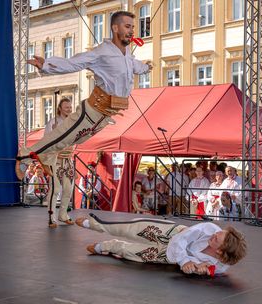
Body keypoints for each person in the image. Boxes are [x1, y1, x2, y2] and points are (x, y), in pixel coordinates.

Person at [15, 10, 152, 179]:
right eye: (127, 26)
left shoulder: (127, 54)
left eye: (132, 27)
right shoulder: (101, 52)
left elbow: (136, 66)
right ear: (115, 28)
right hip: (92, 110)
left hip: (106, 115)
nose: (132, 31)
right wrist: (46, 65)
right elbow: (74, 63)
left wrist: (146, 68)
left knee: (72, 141)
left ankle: (45, 155)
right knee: (63, 136)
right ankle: (25, 155)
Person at [75, 213, 247, 276]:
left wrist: (201, 269)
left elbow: (211, 271)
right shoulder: (209, 228)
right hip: (172, 234)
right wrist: (185, 262)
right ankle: (94, 225)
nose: (215, 234)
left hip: (169, 256)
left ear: (221, 252)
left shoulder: (222, 265)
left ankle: (105, 246)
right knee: (131, 228)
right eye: (219, 232)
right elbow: (181, 239)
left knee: (133, 253)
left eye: (217, 239)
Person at [43, 98, 75, 227]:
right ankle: (52, 217)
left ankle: (63, 215)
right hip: (55, 160)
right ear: (60, 108)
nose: (69, 109)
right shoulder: (53, 122)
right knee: (55, 189)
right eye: (66, 107)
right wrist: (54, 132)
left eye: (70, 107)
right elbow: (46, 140)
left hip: (68, 160)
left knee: (68, 189)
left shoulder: (73, 123)